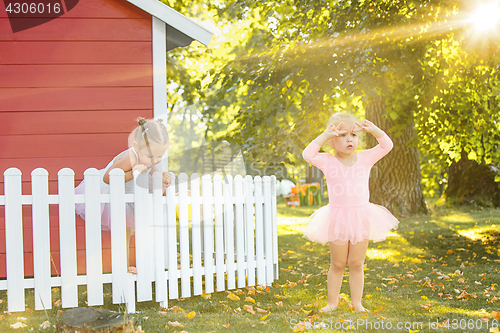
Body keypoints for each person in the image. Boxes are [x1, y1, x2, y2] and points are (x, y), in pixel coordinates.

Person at [302, 112, 399, 312]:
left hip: (361, 216)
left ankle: (357, 303)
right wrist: (325, 134)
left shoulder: (365, 158)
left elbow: (387, 146)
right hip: (337, 217)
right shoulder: (327, 160)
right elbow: (307, 155)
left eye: (353, 135)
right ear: (332, 141)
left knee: (356, 263)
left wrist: (374, 130)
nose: (349, 139)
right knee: (338, 263)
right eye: (343, 135)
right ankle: (332, 303)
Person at [75, 117, 172, 273]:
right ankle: (123, 266)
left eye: (159, 155)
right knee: (123, 232)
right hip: (114, 195)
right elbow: (107, 177)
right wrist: (134, 172)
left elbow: (154, 174)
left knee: (140, 229)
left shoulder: (151, 158)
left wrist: (162, 176)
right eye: (151, 156)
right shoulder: (129, 157)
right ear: (136, 147)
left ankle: (144, 263)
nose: (155, 160)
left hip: (132, 195)